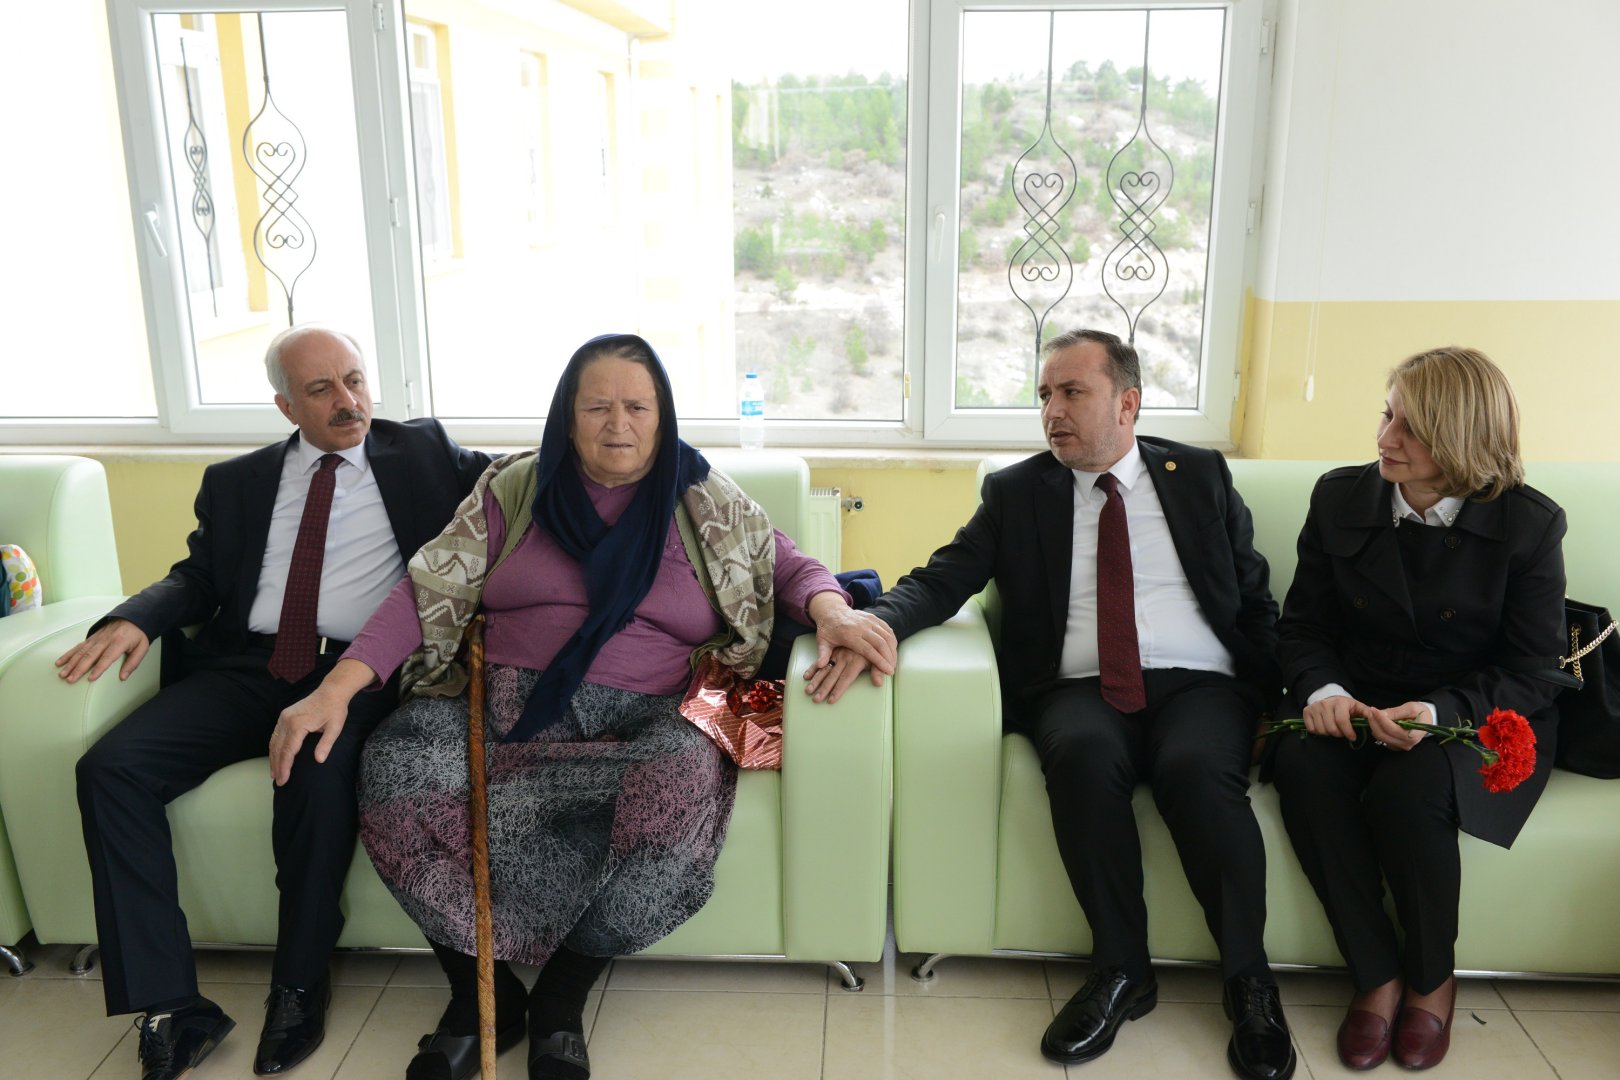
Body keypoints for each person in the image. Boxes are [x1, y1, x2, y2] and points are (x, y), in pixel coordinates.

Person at [272, 333, 896, 1080]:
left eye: (638, 406)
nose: (618, 424)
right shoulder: (515, 489)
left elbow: (786, 565)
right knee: (396, 764)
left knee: (681, 780)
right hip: (503, 709)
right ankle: (480, 994)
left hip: (649, 716)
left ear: (663, 416)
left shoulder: (704, 500)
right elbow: (426, 588)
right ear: (567, 417)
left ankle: (561, 999)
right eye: (597, 406)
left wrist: (833, 611)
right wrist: (336, 687)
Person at [807, 328, 1296, 1080]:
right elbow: (943, 578)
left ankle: (1249, 983)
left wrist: (1276, 696)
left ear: (1127, 403)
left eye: (1072, 392)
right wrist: (870, 624)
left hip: (1200, 681)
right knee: (1083, 757)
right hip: (1078, 687)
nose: (1052, 412)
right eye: (1044, 395)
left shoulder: (1197, 474)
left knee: (1198, 769)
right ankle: (1123, 971)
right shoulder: (1018, 492)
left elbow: (1254, 596)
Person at [63, 326, 491, 1080]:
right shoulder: (236, 481)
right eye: (322, 389)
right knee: (111, 769)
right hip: (246, 666)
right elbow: (198, 577)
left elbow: (529, 482)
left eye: (355, 380)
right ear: (286, 405)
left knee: (313, 774)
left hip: (354, 670)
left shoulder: (424, 453)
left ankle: (297, 987)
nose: (348, 401)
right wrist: (136, 617)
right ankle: (171, 1004)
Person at [1268, 346, 1566, 1071]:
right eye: (1387, 415)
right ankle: (1376, 975)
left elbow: (1533, 671)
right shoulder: (1339, 497)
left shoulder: (1529, 523)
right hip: (1357, 696)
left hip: (1471, 708)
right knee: (1303, 767)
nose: (1385, 438)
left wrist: (1435, 712)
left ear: (1464, 438)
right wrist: (1325, 693)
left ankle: (1431, 980)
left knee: (1410, 791)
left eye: (1412, 427)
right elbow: (1302, 628)